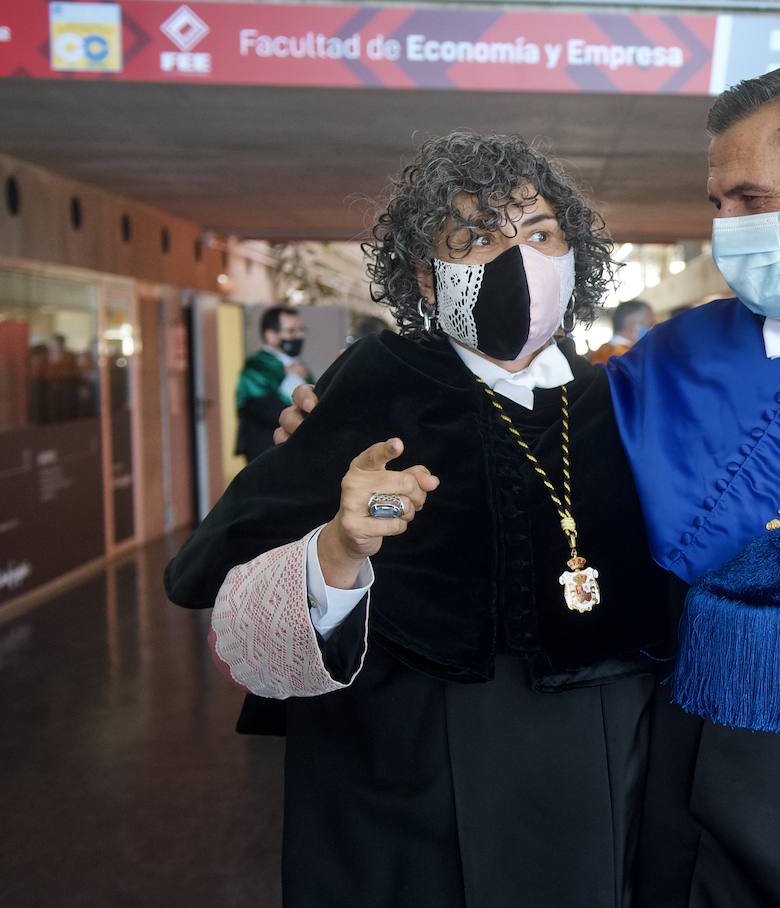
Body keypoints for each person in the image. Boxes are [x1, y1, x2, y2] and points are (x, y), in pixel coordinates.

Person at [278, 67, 780, 907]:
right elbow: (526, 427)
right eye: (716, 204)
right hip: (686, 794)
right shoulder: (679, 360)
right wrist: (352, 416)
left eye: (748, 198)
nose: (726, 227)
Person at [165, 132, 670, 906]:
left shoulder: (613, 398)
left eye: (539, 236)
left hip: (593, 743)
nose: (517, 262)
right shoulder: (376, 380)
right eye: (474, 240)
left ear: (575, 259)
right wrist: (337, 545)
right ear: (426, 282)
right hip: (410, 751)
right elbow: (214, 562)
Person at [235, 306, 312, 461]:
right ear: (271, 335)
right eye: (291, 331)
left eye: (301, 330)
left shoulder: (297, 365)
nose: (299, 336)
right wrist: (292, 379)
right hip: (265, 447)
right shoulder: (258, 365)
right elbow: (264, 407)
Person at [587, 298, 655, 364]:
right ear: (631, 326)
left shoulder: (601, 351)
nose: (653, 328)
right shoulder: (627, 357)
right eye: (649, 324)